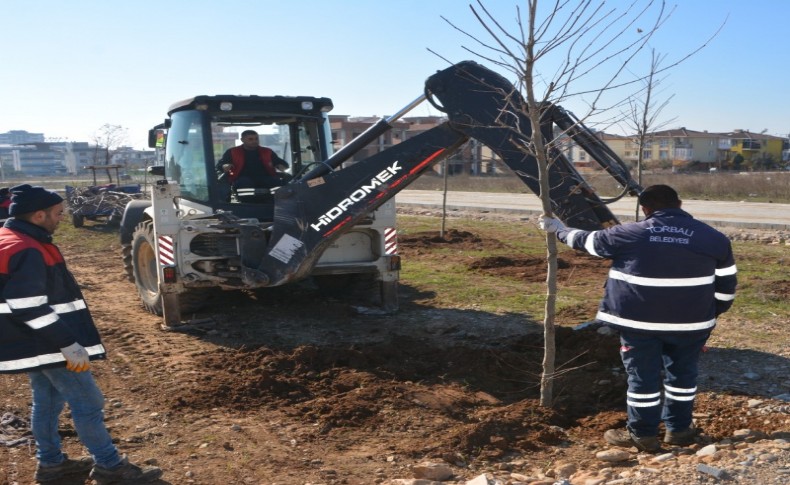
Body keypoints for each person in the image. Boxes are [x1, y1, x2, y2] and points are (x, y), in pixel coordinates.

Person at [539, 184, 737, 452]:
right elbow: (726, 288)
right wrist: (709, 315)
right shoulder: (714, 238)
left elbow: (586, 241)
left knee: (642, 380)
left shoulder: (629, 233)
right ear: (679, 204)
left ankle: (642, 435)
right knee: (683, 377)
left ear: (645, 209)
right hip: (691, 325)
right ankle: (679, 431)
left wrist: (557, 228)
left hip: (638, 325)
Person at [0, 184, 163, 484]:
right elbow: (27, 306)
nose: (62, 218)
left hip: (30, 343)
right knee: (88, 403)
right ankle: (110, 467)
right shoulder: (27, 248)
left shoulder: (11, 239)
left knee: (46, 401)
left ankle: (51, 465)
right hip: (47, 343)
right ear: (39, 215)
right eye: (58, 213)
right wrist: (68, 343)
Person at [216, 129, 290, 190]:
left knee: (279, 183)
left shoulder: (267, 151)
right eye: (250, 139)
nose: (254, 141)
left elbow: (280, 162)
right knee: (244, 183)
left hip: (266, 178)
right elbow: (220, 165)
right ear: (242, 140)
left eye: (256, 139)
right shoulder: (232, 152)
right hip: (242, 179)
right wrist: (224, 166)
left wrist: (281, 165)